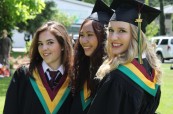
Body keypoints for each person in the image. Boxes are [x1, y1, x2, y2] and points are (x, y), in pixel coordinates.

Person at [87, 0, 162, 114]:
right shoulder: (151, 70)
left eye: (122, 30)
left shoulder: (117, 78)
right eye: (111, 30)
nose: (113, 37)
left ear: (136, 35)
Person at [3, 21, 73, 114]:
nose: (44, 48)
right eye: (40, 43)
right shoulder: (24, 75)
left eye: (50, 42)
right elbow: (10, 110)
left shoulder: (74, 78)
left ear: (63, 45)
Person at [70, 0, 114, 114]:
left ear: (104, 37)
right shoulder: (82, 71)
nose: (84, 41)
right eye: (81, 35)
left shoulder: (112, 76)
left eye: (90, 35)